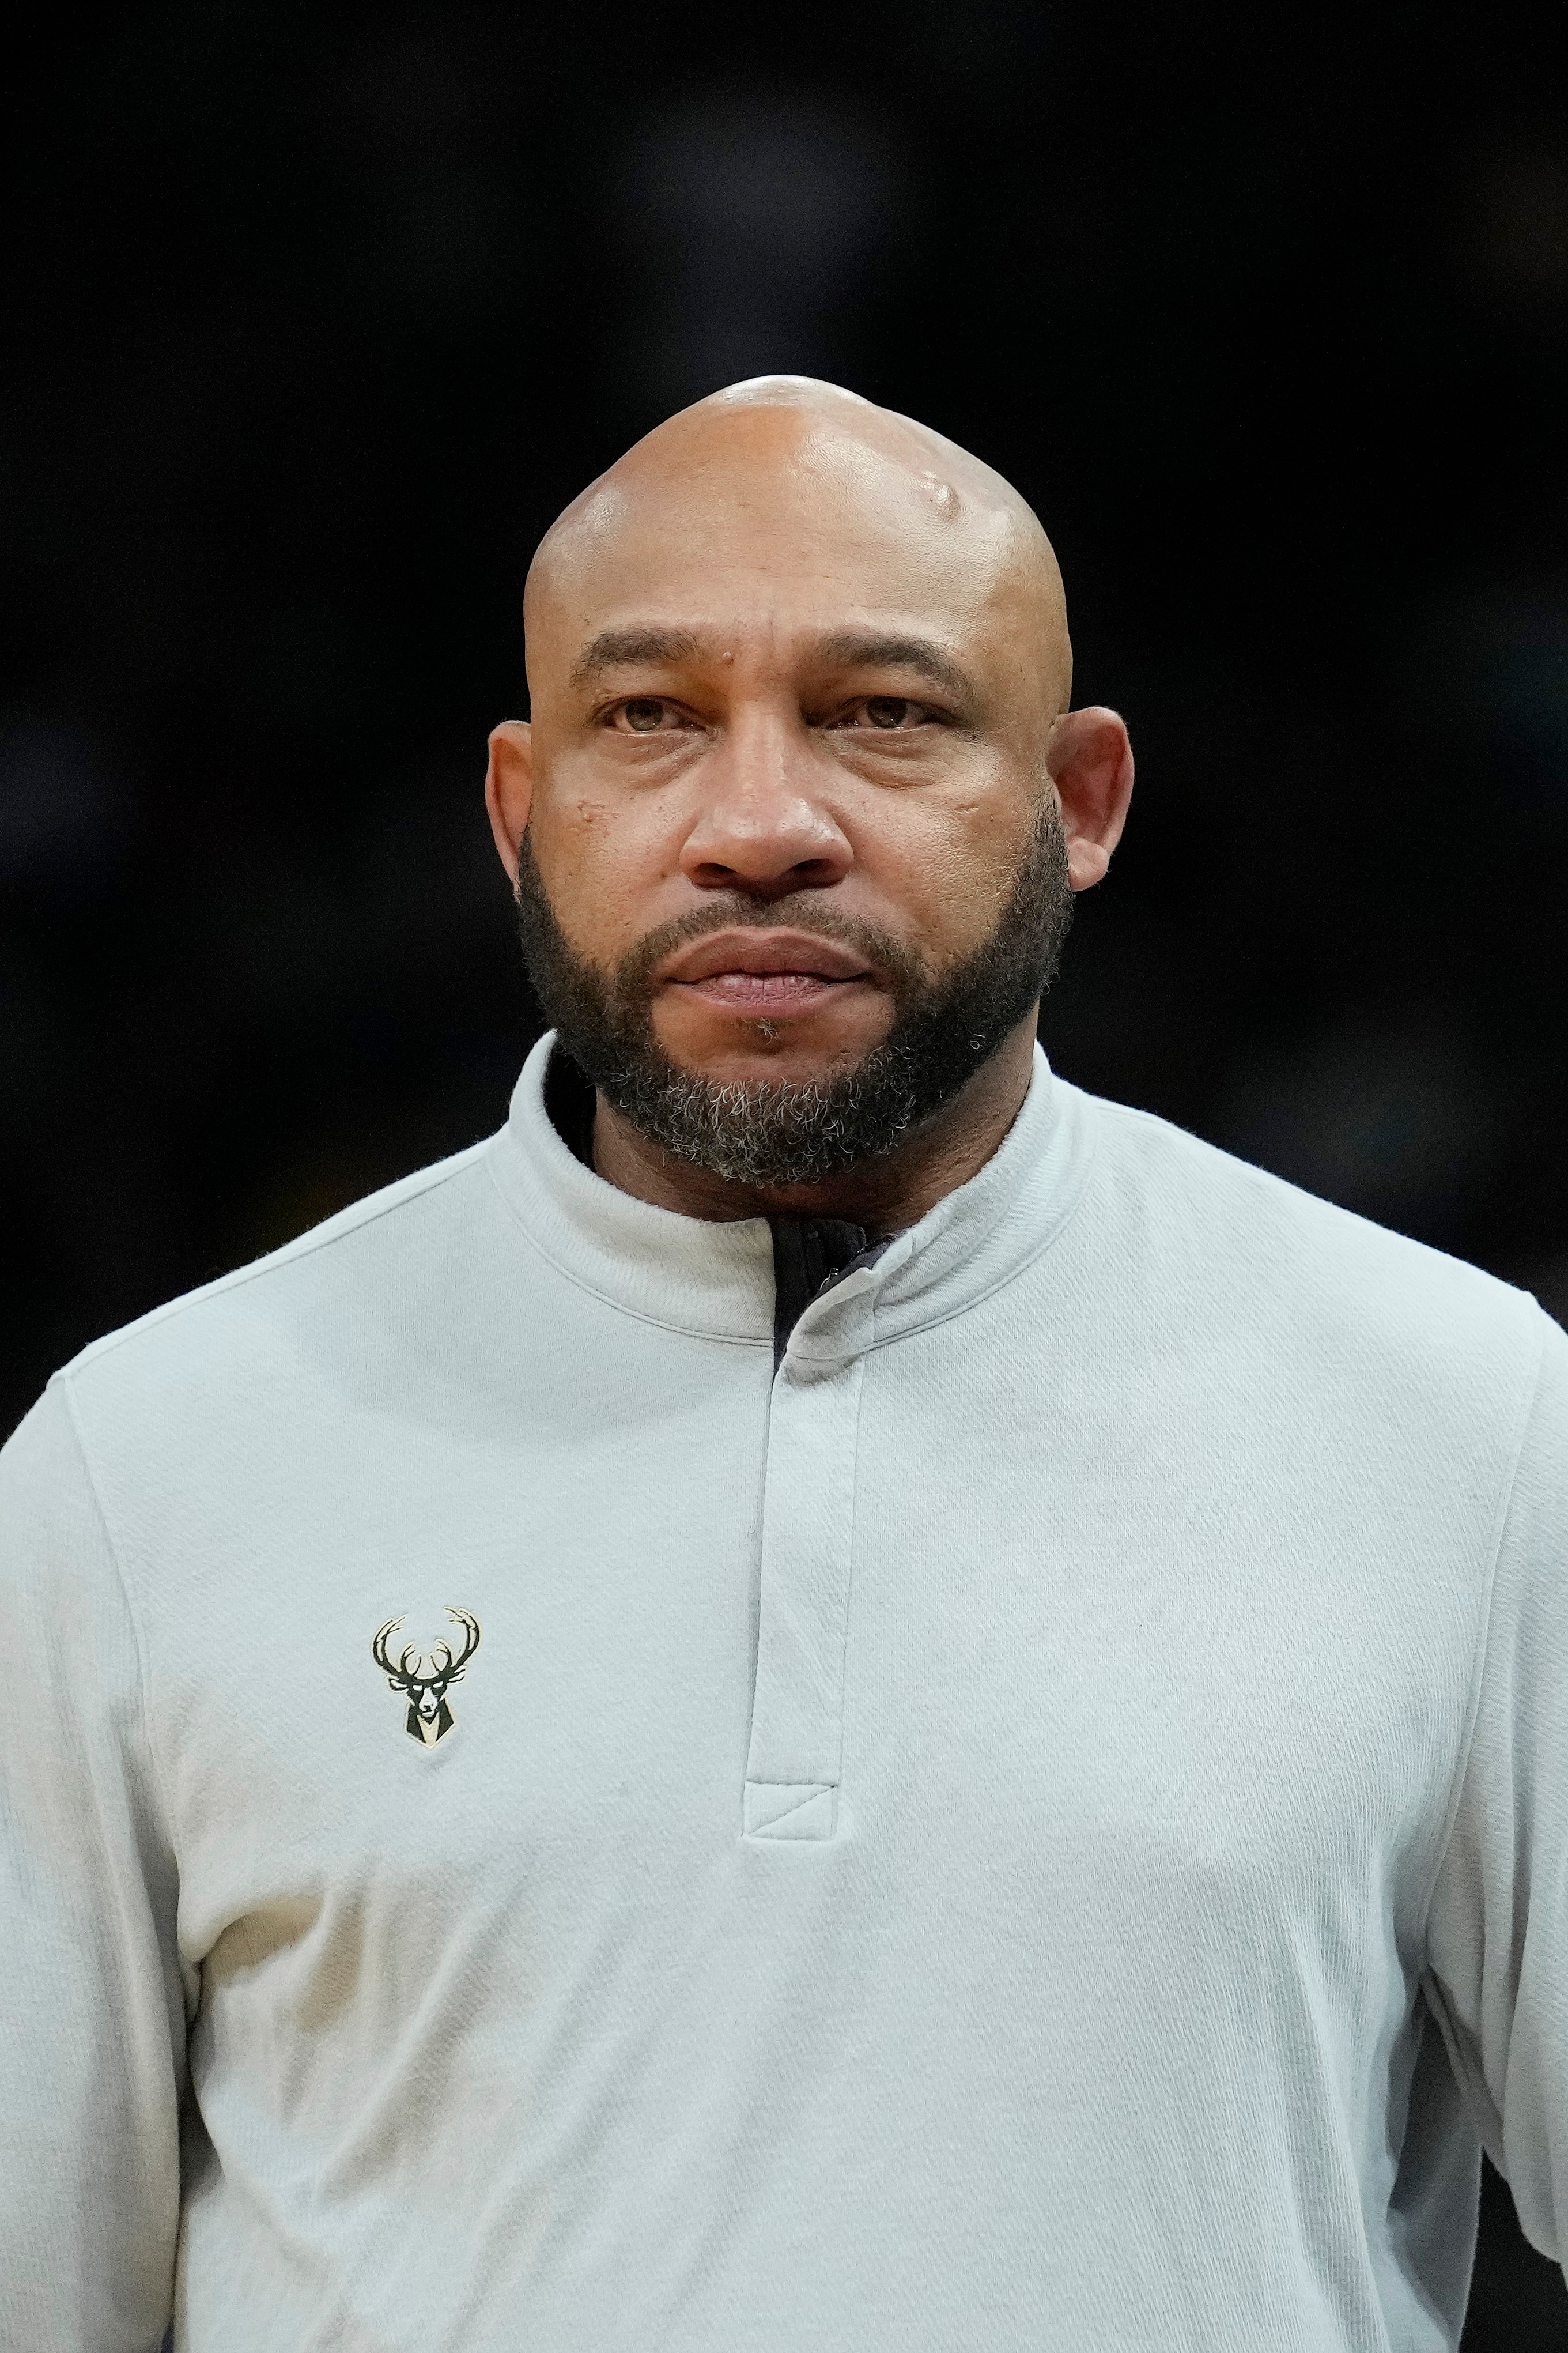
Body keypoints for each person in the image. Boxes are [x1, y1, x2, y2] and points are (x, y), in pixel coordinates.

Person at [1, 376, 1563, 2353]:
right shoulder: (145, 1467)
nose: (757, 827)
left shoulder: (1457, 1417)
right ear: (519, 811)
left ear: (1076, 801)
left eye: (881, 713)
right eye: (648, 718)